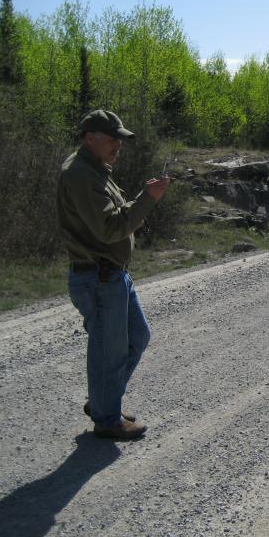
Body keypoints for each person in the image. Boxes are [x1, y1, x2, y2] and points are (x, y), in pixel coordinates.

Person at [57, 109, 170, 439]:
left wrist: (142, 199)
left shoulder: (95, 169)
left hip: (111, 275)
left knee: (137, 338)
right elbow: (110, 229)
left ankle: (103, 402)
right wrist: (148, 200)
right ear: (89, 139)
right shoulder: (80, 174)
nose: (118, 145)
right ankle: (107, 419)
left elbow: (117, 215)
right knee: (111, 351)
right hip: (98, 277)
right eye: (112, 139)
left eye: (120, 139)